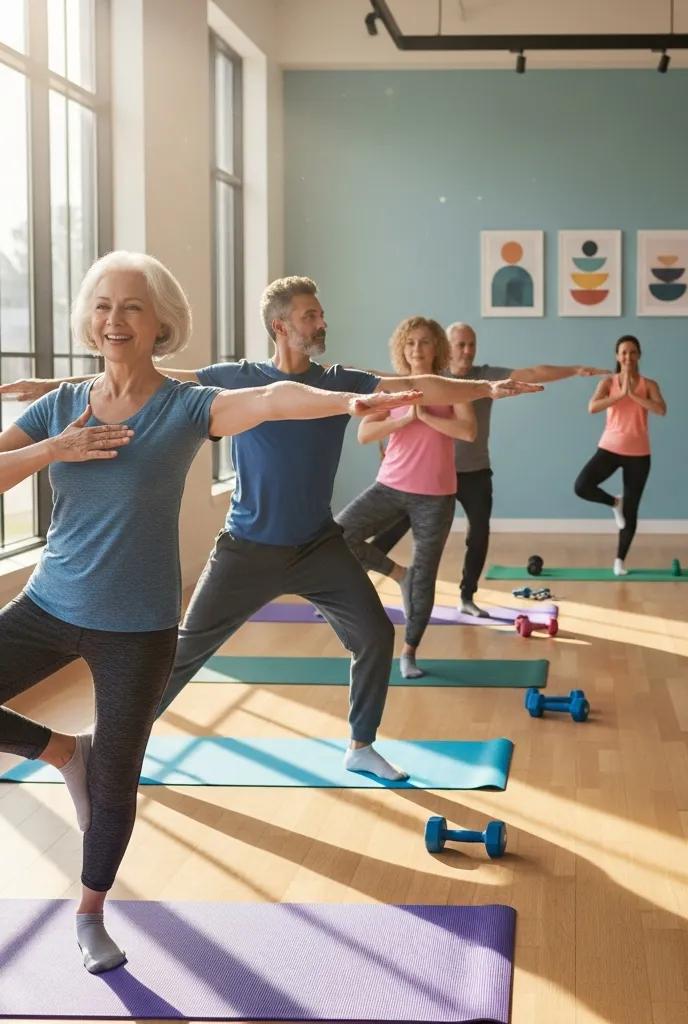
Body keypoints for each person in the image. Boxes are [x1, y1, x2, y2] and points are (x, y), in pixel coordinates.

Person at [0, 253, 423, 974]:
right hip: (49, 603)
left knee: (119, 782)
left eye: (131, 307)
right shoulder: (60, 404)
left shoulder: (187, 407)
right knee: (88, 762)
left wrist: (343, 403)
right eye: (102, 306)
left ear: (161, 321)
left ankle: (91, 911)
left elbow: (272, 401)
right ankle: (64, 750)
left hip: (137, 624)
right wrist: (56, 447)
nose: (114, 320)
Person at [5, 278, 541, 775]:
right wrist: (52, 386)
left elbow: (419, 384)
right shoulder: (236, 379)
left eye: (321, 314)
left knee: (375, 634)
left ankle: (361, 746)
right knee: (184, 649)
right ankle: (111, 745)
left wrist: (485, 391)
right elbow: (151, 379)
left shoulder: (341, 383)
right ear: (281, 326)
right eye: (311, 315)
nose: (321, 322)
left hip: (317, 544)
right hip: (246, 547)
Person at [337, 317, 540, 677]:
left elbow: (467, 431)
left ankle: (409, 652)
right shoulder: (393, 387)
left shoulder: (452, 387)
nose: (417, 349)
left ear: (437, 348)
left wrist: (426, 416)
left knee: (426, 576)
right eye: (411, 342)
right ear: (402, 347)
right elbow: (364, 434)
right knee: (338, 537)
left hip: (435, 495)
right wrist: (402, 420)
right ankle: (399, 574)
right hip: (390, 486)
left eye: (425, 342)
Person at [369, 321, 606, 616]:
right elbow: (389, 403)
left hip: (475, 472)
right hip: (430, 476)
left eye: (472, 345)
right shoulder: (433, 378)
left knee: (478, 534)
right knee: (392, 530)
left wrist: (574, 370)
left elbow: (532, 372)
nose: (467, 351)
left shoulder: (484, 377)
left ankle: (467, 597)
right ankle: (356, 592)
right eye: (461, 345)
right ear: (447, 347)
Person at [573, 334, 667, 575]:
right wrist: (620, 394)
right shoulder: (608, 383)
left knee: (632, 511)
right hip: (610, 448)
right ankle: (614, 502)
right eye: (624, 352)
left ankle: (619, 561)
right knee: (582, 486)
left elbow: (661, 409)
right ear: (617, 356)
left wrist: (634, 395)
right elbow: (592, 407)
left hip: (639, 453)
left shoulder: (649, 384)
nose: (628, 356)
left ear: (639, 356)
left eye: (632, 352)